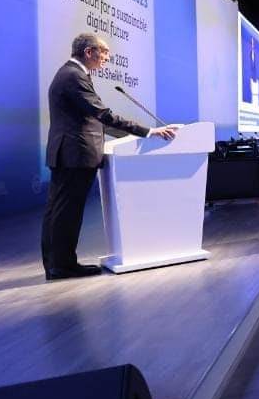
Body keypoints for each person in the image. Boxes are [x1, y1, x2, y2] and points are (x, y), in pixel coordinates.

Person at [42, 33, 177, 281]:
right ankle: (62, 265)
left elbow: (93, 120)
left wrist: (140, 134)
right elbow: (103, 115)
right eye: (104, 53)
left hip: (70, 153)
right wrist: (148, 131)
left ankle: (57, 264)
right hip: (75, 154)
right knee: (66, 211)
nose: (107, 58)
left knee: (60, 210)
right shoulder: (74, 76)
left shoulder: (71, 74)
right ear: (89, 52)